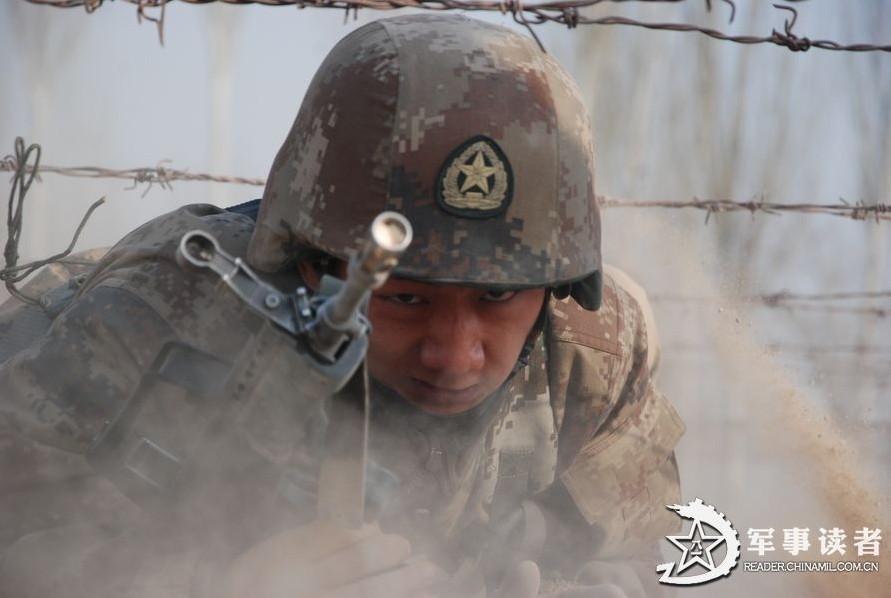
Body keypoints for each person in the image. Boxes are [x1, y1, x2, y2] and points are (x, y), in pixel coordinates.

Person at [0, 14, 684, 598]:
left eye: (498, 295)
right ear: (305, 260)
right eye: (407, 297)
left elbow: (662, 556)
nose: (454, 355)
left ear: (559, 282)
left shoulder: (593, 351)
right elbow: (23, 547)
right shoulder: (163, 314)